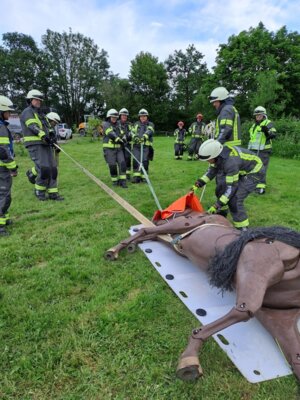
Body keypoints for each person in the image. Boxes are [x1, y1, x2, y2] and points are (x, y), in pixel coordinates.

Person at [192, 139, 264, 230]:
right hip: (241, 168)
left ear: (214, 156)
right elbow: (211, 171)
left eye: (208, 159)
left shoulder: (231, 162)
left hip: (254, 172)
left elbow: (231, 187)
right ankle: (222, 214)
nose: (207, 161)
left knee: (235, 199)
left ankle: (242, 228)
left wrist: (217, 204)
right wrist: (199, 183)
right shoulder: (218, 156)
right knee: (221, 187)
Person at [20, 89, 64, 201]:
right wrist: (43, 136)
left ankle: (53, 193)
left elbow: (48, 127)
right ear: (30, 100)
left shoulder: (41, 114)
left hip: (45, 144)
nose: (38, 102)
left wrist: (53, 137)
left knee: (53, 169)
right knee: (44, 169)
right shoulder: (27, 112)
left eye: (40, 100)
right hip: (35, 144)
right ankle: (39, 191)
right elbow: (33, 126)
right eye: (36, 99)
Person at [26, 111, 61, 185]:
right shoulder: (42, 126)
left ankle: (31, 173)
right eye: (54, 123)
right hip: (39, 146)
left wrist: (57, 146)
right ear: (50, 120)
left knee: (47, 165)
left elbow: (53, 139)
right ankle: (32, 174)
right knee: (44, 166)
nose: (55, 125)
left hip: (47, 147)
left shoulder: (50, 128)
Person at [248, 106, 276, 194]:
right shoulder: (254, 125)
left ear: (264, 115)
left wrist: (267, 132)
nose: (258, 117)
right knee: (253, 168)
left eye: (259, 115)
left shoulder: (268, 123)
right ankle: (253, 185)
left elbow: (273, 134)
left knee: (261, 168)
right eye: (256, 115)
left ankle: (261, 188)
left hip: (263, 150)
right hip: (253, 150)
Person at [0, 95, 18, 236]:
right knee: (3, 195)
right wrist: (12, 167)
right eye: (7, 111)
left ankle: (3, 219)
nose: (10, 114)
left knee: (5, 195)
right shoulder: (1, 128)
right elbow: (3, 151)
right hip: (2, 168)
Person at [102, 108, 127, 188]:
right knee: (112, 165)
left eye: (116, 117)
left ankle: (123, 181)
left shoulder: (118, 125)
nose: (114, 119)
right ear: (109, 117)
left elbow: (123, 133)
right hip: (109, 149)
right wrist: (118, 139)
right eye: (112, 117)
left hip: (119, 149)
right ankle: (115, 181)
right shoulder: (105, 124)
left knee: (122, 163)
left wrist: (124, 138)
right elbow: (110, 133)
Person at [131, 108, 154, 183]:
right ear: (139, 117)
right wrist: (135, 137)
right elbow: (132, 132)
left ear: (147, 116)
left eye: (144, 116)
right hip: (136, 146)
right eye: (141, 116)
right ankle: (136, 177)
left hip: (146, 146)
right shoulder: (136, 124)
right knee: (136, 160)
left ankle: (144, 177)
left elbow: (150, 131)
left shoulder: (150, 124)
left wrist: (144, 137)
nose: (143, 117)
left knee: (145, 161)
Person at [118, 108, 132, 180]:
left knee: (128, 159)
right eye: (123, 115)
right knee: (121, 160)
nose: (124, 116)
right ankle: (122, 174)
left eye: (126, 115)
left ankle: (128, 175)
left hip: (128, 145)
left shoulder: (129, 124)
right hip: (119, 145)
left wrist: (128, 136)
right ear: (120, 115)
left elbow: (132, 133)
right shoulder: (117, 124)